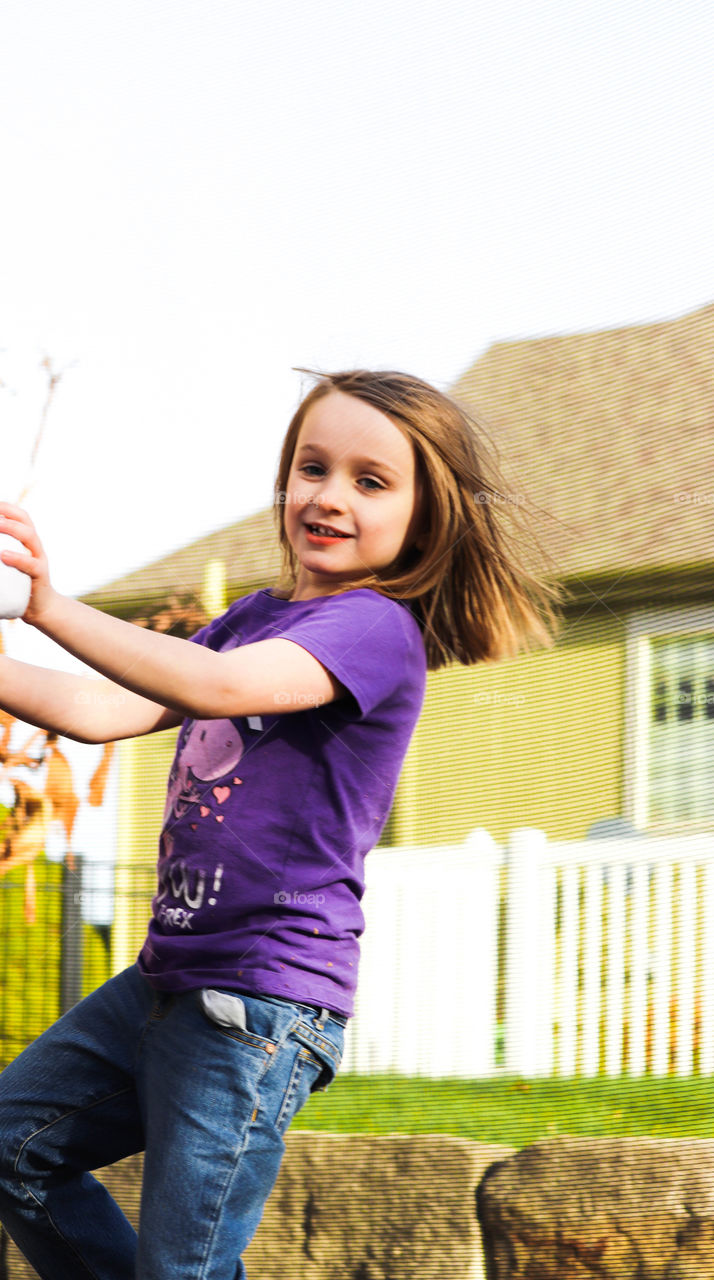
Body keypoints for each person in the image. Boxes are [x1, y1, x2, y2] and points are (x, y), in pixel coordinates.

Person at [0, 368, 559, 1279]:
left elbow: (210, 688)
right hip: (165, 982)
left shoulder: (375, 630)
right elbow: (105, 709)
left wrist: (49, 607)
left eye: (370, 481)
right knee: (15, 1144)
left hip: (255, 1004)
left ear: (425, 518)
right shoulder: (255, 618)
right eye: (313, 467)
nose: (330, 496)